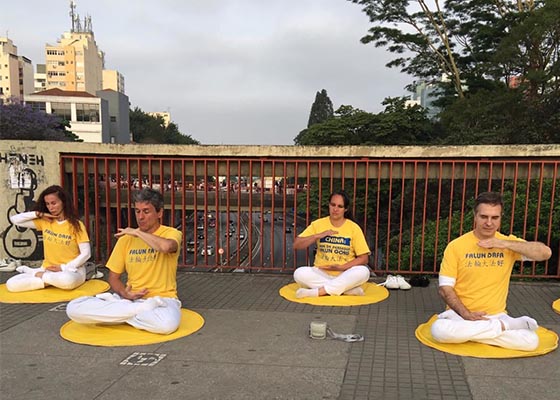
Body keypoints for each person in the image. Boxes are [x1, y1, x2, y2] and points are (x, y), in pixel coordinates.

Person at [431, 192, 552, 351]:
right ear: (475, 216)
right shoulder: (456, 246)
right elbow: (445, 289)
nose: (489, 223)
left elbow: (545, 253)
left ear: (501, 218)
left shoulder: (507, 244)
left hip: (496, 315)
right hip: (459, 316)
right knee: (439, 330)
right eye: (484, 217)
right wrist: (466, 314)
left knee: (531, 341)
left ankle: (483, 331)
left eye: (494, 217)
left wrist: (504, 244)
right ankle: (503, 327)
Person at [66, 188, 183, 335]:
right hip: (130, 300)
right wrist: (124, 293)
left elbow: (166, 247)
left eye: (146, 211)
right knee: (73, 308)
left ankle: (118, 315)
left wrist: (137, 232)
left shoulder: (171, 233)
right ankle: (135, 311)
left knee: (167, 325)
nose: (140, 217)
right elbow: (113, 278)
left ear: (159, 213)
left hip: (163, 300)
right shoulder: (126, 239)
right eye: (137, 211)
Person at [6, 185, 91, 292]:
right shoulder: (45, 222)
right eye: (47, 204)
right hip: (47, 270)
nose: (50, 207)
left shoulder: (76, 225)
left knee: (67, 280)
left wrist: (63, 268)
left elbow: (86, 253)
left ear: (63, 202)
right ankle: (48, 279)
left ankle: (35, 274)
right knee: (11, 284)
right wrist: (38, 214)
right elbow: (14, 220)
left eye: (54, 203)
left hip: (71, 271)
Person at [292, 190, 371, 298]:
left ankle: (317, 292)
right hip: (321, 272)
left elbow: (364, 258)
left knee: (364, 272)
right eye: (333, 205)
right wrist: (317, 236)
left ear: (345, 209)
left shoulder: (354, 228)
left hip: (345, 272)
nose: (335, 209)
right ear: (329, 205)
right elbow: (296, 244)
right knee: (299, 273)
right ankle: (345, 289)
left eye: (340, 206)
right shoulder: (318, 224)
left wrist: (341, 267)